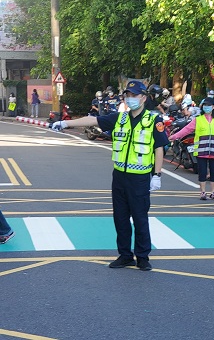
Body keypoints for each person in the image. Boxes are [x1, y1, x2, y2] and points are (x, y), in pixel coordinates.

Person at [51, 80, 168, 271]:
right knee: (120, 218)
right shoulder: (120, 118)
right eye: (127, 96)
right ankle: (125, 255)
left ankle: (143, 257)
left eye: (134, 95)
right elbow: (93, 120)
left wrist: (157, 175)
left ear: (144, 98)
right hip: (120, 176)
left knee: (140, 218)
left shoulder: (153, 121)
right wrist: (66, 122)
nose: (130, 99)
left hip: (139, 178)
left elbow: (159, 148)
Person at [169, 98, 214, 201]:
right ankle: (203, 192)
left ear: (213, 107)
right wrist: (174, 136)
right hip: (201, 150)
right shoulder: (198, 119)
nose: (206, 107)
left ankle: (213, 192)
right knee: (202, 172)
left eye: (209, 105)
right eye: (205, 105)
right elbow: (186, 130)